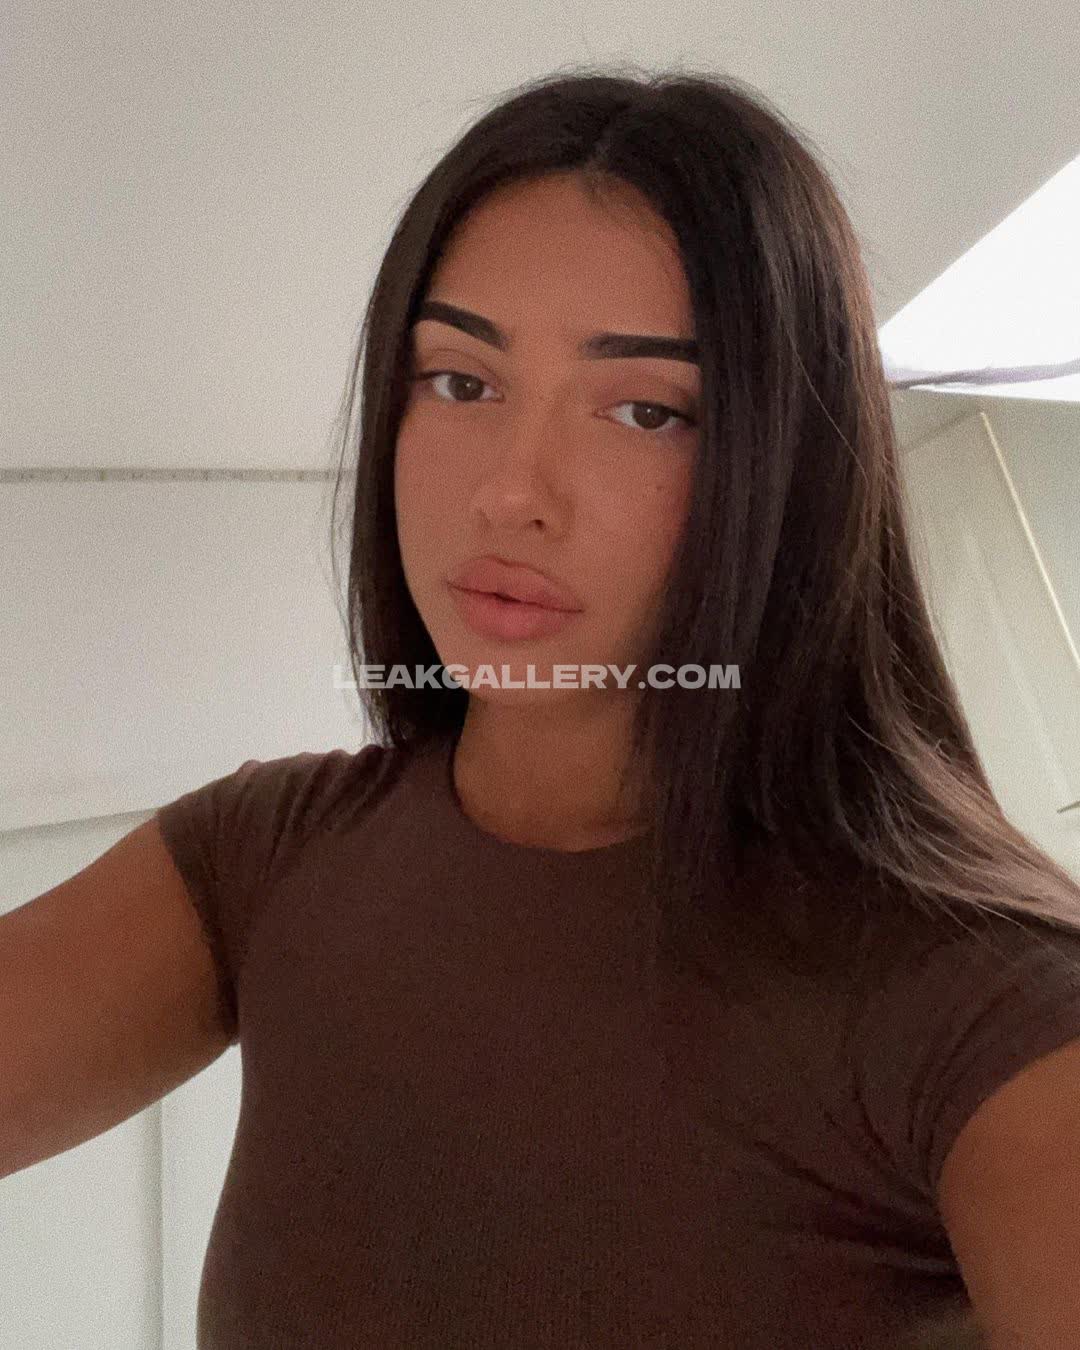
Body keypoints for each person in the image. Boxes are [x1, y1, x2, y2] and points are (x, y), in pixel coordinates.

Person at [4, 65, 1080, 1349]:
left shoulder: (984, 1007)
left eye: (644, 410)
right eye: (462, 382)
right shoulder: (268, 859)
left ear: (786, 469)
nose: (512, 493)